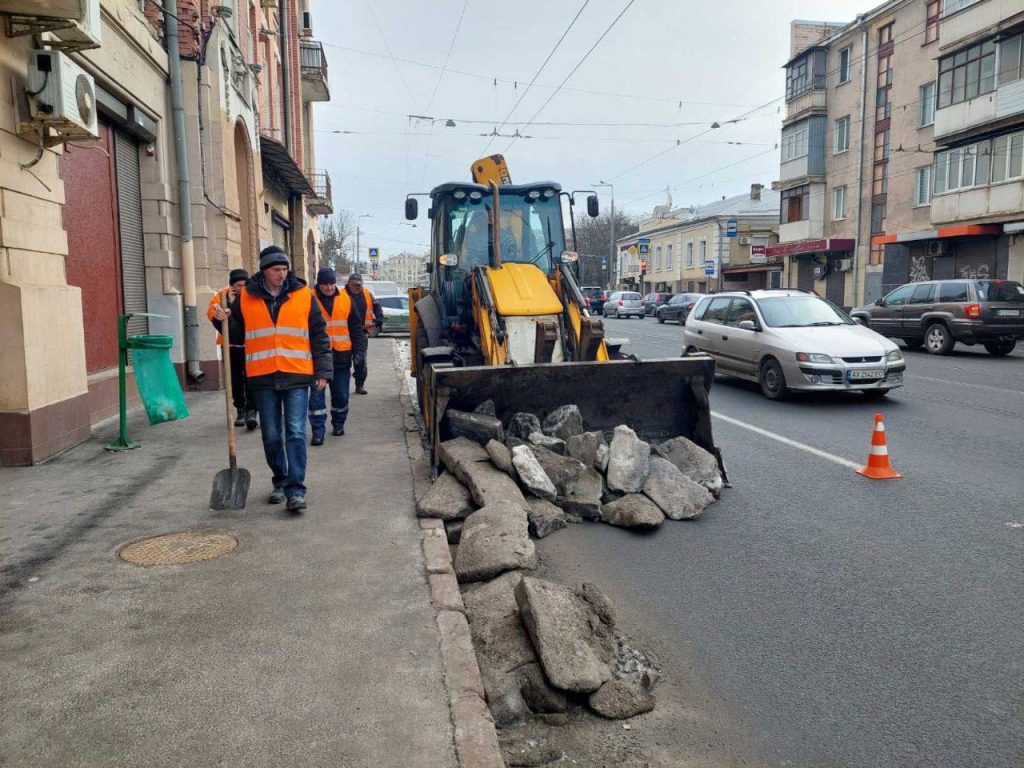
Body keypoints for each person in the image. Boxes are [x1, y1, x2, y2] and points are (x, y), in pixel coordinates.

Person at [211, 245, 331, 513]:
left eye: (285, 269)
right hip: (263, 377)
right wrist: (220, 320)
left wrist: (323, 370)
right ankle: (280, 480)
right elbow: (236, 334)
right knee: (272, 436)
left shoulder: (303, 295)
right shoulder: (246, 298)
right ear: (264, 271)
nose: (281, 274)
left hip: (297, 373)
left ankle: (296, 490)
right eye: (276, 269)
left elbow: (319, 334)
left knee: (297, 432)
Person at [307, 267, 355, 444]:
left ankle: (339, 424)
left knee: (341, 395)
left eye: (332, 283)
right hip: (317, 358)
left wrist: (359, 352)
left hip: (341, 356)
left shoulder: (345, 299)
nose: (329, 287)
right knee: (316, 397)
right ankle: (318, 431)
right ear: (318, 284)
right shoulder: (309, 299)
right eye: (325, 284)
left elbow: (355, 326)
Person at [207, 269, 257, 430]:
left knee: (251, 380)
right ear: (232, 285)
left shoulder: (251, 296)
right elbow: (211, 313)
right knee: (235, 380)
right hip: (230, 346)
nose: (242, 288)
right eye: (238, 285)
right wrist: (220, 312)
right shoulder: (222, 296)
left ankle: (251, 411)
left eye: (244, 284)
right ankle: (240, 409)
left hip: (250, 345)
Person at [342, 272, 383, 395]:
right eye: (354, 284)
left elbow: (377, 307)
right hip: (344, 334)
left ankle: (359, 384)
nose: (357, 287)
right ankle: (343, 385)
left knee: (360, 361)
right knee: (344, 362)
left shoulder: (367, 293)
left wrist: (379, 318)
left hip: (362, 333)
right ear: (348, 284)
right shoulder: (341, 295)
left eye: (359, 284)